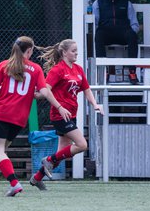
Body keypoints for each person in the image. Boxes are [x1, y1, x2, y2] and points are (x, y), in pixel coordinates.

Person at [0, 36, 70, 197]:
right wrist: (59, 106)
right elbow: (44, 92)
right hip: (19, 117)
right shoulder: (36, 69)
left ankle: (14, 183)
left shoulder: (4, 65)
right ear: (29, 51)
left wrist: (1, 98)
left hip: (2, 113)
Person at [30, 39, 104, 191]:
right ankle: (48, 159)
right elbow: (47, 89)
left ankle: (37, 178)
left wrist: (95, 104)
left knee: (61, 154)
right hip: (59, 115)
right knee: (82, 145)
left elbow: (86, 89)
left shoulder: (78, 69)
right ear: (64, 52)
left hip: (71, 114)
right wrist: (57, 105)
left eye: (77, 50)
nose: (76, 53)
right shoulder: (57, 70)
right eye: (73, 51)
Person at [93, 0, 140, 85]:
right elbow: (95, 23)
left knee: (132, 36)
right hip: (106, 33)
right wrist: (97, 31)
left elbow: (134, 24)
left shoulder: (126, 3)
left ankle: (132, 72)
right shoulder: (98, 3)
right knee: (98, 35)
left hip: (122, 32)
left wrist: (132, 31)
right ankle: (104, 72)